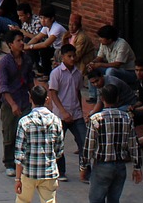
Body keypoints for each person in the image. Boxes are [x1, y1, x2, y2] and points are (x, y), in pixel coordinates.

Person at [80, 83, 143, 202]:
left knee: (96, 199)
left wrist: (84, 166)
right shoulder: (127, 118)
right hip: (120, 166)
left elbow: (89, 146)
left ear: (102, 99)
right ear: (118, 99)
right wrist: (137, 167)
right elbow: (134, 145)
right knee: (114, 200)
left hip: (102, 166)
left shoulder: (96, 119)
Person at [14, 84, 64, 203]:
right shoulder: (56, 121)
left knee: (23, 200)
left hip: (28, 172)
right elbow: (59, 149)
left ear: (30, 99)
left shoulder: (24, 122)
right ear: (47, 99)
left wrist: (17, 179)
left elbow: (19, 154)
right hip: (49, 172)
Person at [47, 43, 85, 183]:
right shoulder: (56, 73)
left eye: (74, 56)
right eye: (69, 56)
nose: (72, 59)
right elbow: (53, 94)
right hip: (60, 115)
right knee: (58, 144)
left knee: (84, 141)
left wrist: (79, 109)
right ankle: (60, 171)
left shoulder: (78, 73)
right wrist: (63, 112)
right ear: (63, 57)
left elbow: (78, 92)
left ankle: (85, 171)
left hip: (76, 113)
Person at [0, 29, 35, 176]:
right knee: (9, 132)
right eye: (18, 41)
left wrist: (36, 95)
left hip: (24, 99)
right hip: (9, 102)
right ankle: (9, 162)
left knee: (25, 132)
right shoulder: (5, 62)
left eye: (22, 40)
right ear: (10, 44)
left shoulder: (27, 60)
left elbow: (30, 80)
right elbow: (3, 86)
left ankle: (23, 160)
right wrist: (12, 104)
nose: (22, 43)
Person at [24, 4, 68, 77]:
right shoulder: (46, 27)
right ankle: (39, 69)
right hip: (54, 48)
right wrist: (26, 45)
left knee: (44, 50)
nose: (42, 20)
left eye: (45, 18)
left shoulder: (56, 28)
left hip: (60, 50)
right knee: (31, 44)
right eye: (41, 18)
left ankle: (46, 74)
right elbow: (36, 38)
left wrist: (29, 47)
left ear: (52, 18)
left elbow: (46, 44)